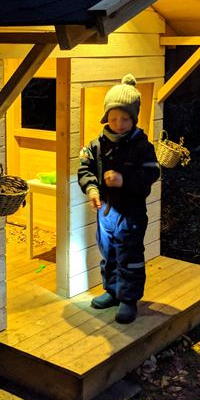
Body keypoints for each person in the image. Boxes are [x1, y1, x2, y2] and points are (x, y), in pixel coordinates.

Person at [77, 74, 160, 324]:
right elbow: (85, 170)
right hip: (105, 211)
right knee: (109, 252)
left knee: (129, 255)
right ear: (106, 118)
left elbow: (151, 172)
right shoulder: (95, 145)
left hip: (131, 212)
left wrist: (125, 180)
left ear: (133, 118)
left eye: (125, 118)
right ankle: (112, 291)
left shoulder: (142, 146)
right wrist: (92, 190)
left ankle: (128, 299)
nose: (119, 123)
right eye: (113, 118)